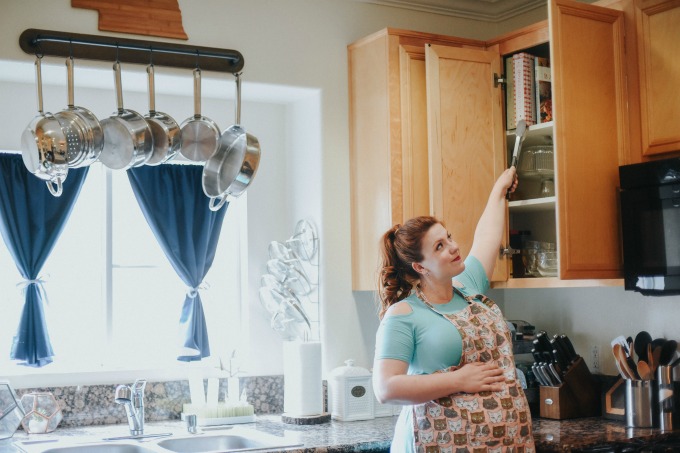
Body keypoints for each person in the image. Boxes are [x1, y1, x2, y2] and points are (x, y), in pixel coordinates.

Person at [373, 167, 534, 452]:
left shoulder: (468, 285)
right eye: (439, 246)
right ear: (420, 267)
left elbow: (486, 237)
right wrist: (459, 379)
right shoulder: (404, 314)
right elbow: (386, 388)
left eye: (448, 237)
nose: (453, 247)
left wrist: (499, 188)